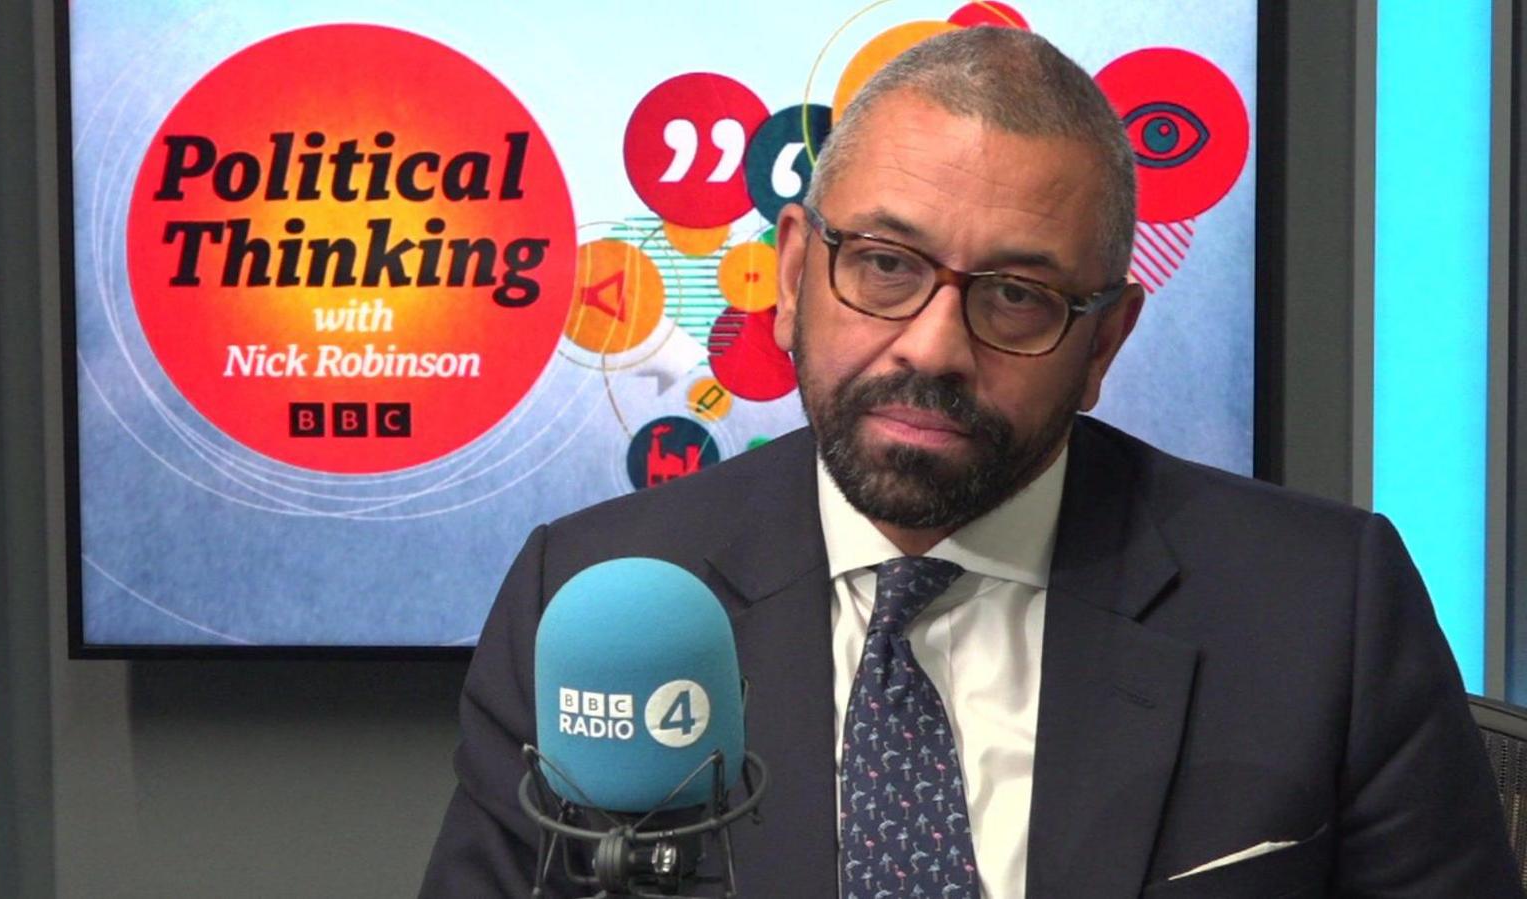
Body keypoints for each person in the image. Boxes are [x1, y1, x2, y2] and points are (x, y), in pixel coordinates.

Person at [420, 27, 1520, 898]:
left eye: (1015, 295)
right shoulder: (594, 598)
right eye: (886, 266)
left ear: (1103, 342)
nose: (934, 346)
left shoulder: (1325, 608)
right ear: (795, 270)